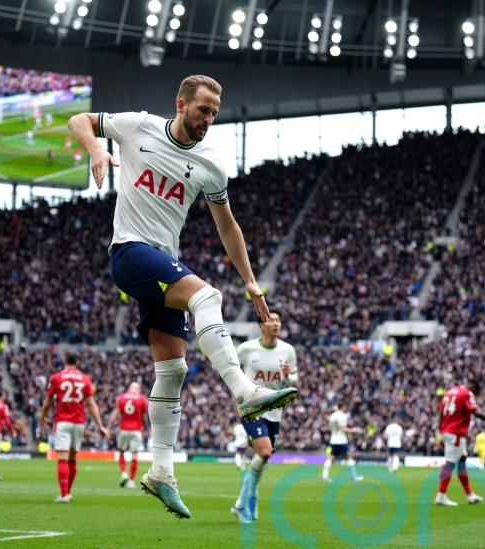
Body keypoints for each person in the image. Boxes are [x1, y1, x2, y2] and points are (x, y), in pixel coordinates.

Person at [68, 74, 297, 519]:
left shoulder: (211, 164)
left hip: (161, 262)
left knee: (173, 369)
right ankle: (244, 390)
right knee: (206, 296)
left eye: (214, 113)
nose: (208, 119)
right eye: (202, 110)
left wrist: (251, 282)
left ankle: (161, 473)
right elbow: (80, 120)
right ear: (181, 104)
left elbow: (227, 225)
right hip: (130, 252)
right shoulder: (139, 126)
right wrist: (96, 148)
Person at [231, 311, 298, 524]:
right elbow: (231, 369)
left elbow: (294, 382)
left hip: (275, 411)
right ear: (261, 326)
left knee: (263, 459)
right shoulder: (246, 349)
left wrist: (288, 375)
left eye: (278, 320)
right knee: (265, 452)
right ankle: (246, 503)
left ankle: (243, 501)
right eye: (271, 320)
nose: (276, 323)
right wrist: (240, 393)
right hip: (252, 408)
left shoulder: (287, 351)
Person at [39, 352, 109, 503]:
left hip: (63, 422)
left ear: (65, 360)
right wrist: (100, 426)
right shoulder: (85, 379)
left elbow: (47, 402)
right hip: (78, 423)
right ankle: (68, 493)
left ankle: (64, 495)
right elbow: (91, 404)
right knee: (72, 458)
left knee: (62, 459)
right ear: (77, 362)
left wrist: (43, 417)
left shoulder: (56, 377)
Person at [434, 380, 485, 506]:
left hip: (448, 431)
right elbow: (476, 412)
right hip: (456, 433)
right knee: (450, 464)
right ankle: (441, 495)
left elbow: (441, 414)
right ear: (474, 388)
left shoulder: (449, 392)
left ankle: (470, 495)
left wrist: (441, 432)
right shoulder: (466, 393)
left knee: (461, 463)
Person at [107, 382, 148, 488]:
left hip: (124, 429)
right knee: (135, 455)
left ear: (129, 388)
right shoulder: (142, 399)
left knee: (121, 452)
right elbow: (144, 417)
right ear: (138, 389)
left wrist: (109, 428)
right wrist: (143, 427)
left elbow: (114, 415)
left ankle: (124, 473)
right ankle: (131, 480)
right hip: (136, 430)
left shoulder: (122, 398)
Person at [321, 403, 363, 483]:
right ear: (343, 407)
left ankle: (324, 476)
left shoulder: (332, 416)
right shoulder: (342, 416)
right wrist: (354, 430)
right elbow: (343, 428)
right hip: (341, 440)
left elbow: (331, 427)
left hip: (333, 440)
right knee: (349, 457)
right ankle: (355, 477)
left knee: (332, 458)